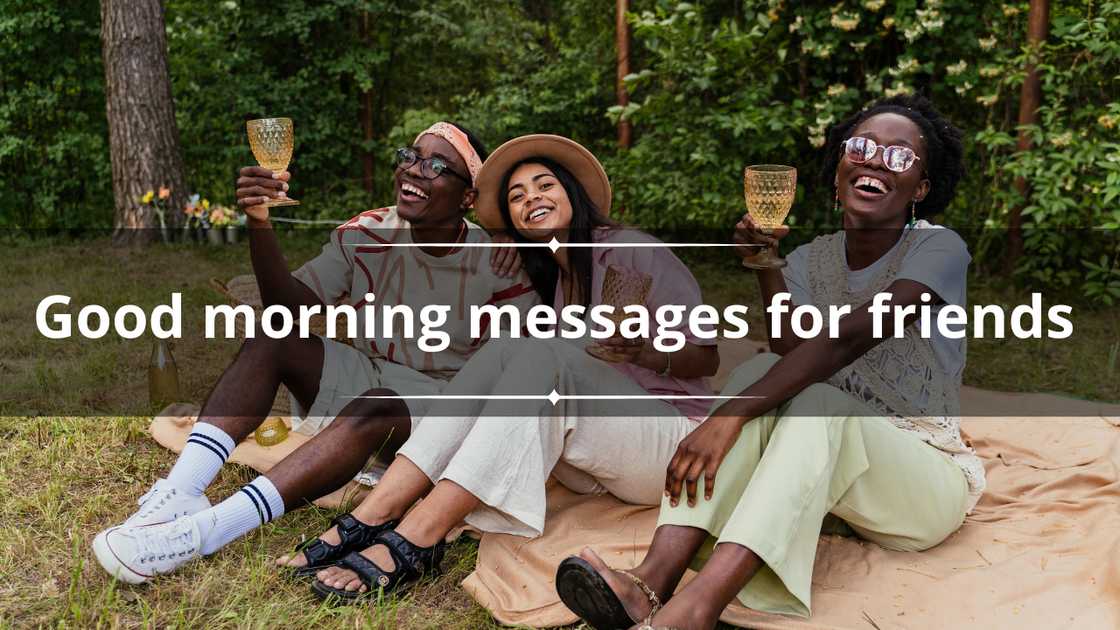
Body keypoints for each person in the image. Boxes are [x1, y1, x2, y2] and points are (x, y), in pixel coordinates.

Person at [555, 95, 986, 630]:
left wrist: (728, 415)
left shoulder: (939, 249)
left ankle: (696, 610)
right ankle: (651, 581)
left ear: (920, 189)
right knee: (759, 371)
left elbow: (842, 342)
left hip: (922, 484)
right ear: (838, 170)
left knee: (813, 400)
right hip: (840, 487)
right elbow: (789, 348)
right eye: (863, 147)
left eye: (899, 157)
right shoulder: (812, 259)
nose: (876, 160)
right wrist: (765, 262)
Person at [92, 122, 538, 584]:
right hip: (371, 374)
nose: (414, 169)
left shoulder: (500, 261)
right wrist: (259, 221)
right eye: (410, 155)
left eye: (437, 165)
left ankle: (205, 532)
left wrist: (511, 235)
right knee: (273, 333)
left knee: (378, 402)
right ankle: (181, 490)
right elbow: (288, 310)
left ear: (468, 197)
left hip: (442, 409)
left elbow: (528, 363)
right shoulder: (368, 232)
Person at [285, 134, 721, 602]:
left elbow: (706, 355)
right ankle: (371, 514)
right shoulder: (554, 279)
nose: (532, 198)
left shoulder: (630, 249)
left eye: (544, 185)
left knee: (539, 353)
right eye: (517, 196)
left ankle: (419, 533)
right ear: (512, 220)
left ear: (572, 192)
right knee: (510, 348)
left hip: (670, 449)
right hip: (593, 460)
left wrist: (645, 352)